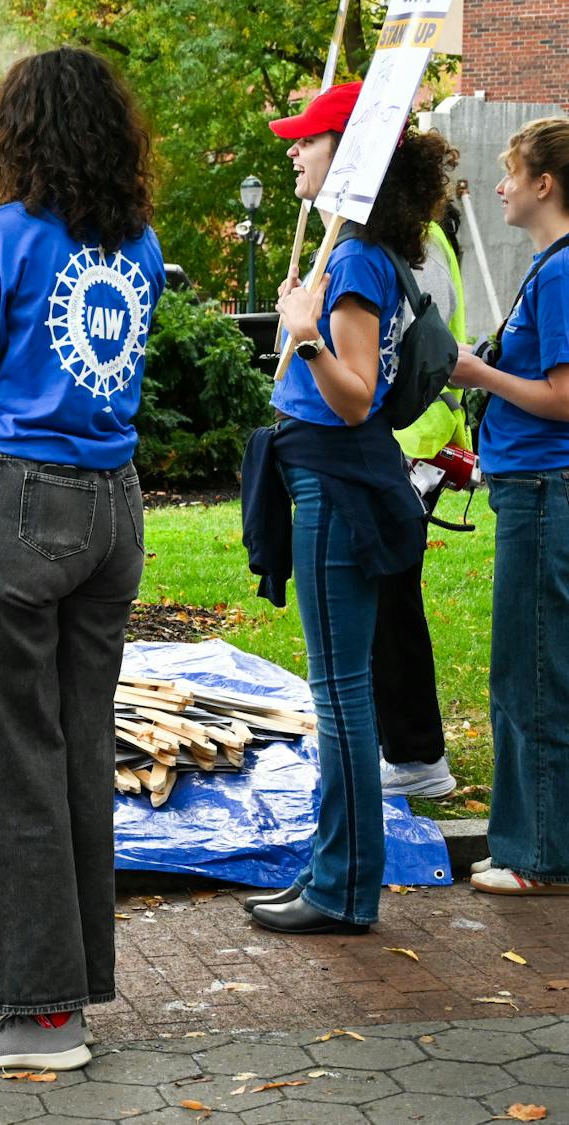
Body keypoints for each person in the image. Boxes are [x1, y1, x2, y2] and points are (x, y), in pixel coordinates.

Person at [0, 46, 164, 1070]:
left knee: (10, 757)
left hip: (21, 501)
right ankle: (72, 991)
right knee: (76, 748)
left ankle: (33, 1015)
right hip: (116, 507)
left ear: (21, 133)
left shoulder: (4, 238)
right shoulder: (137, 243)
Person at [240, 82, 456, 935]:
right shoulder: (359, 251)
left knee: (339, 696)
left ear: (352, 154)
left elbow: (358, 394)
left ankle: (343, 888)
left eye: (309, 141)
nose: (293, 152)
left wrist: (304, 330)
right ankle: (335, 874)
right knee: (343, 690)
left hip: (338, 481)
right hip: (331, 478)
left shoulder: (360, 259)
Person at [450, 116, 569, 896]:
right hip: (534, 487)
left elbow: (562, 397)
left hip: (542, 489)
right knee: (539, 665)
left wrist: (475, 373)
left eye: (511, 173)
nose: (499, 187)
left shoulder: (559, 274)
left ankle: (535, 854)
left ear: (545, 183)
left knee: (528, 672)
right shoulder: (548, 267)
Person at [371, 211, 471, 802]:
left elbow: (419, 351)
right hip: (404, 443)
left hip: (412, 445)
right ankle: (404, 747)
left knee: (392, 601)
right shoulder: (411, 234)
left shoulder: (419, 238)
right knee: (385, 600)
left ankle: (417, 755)